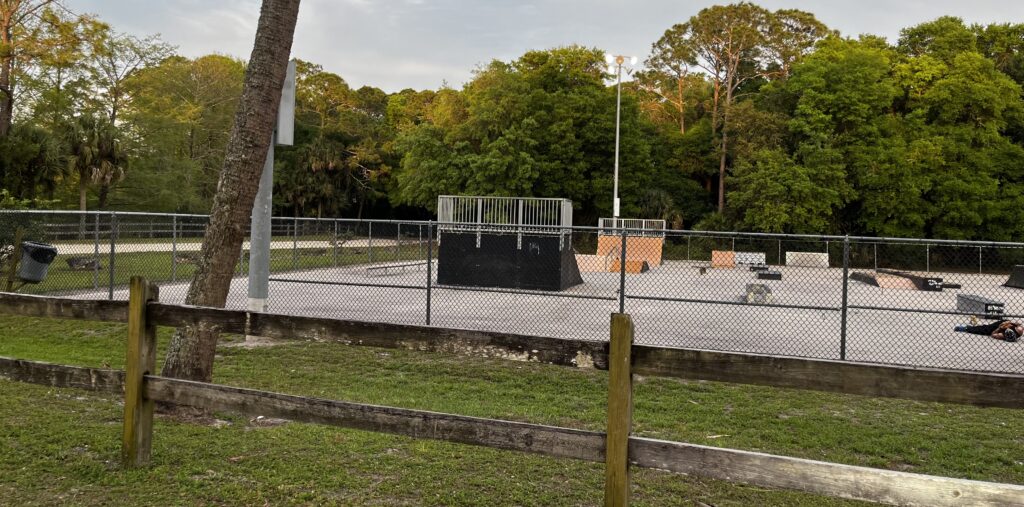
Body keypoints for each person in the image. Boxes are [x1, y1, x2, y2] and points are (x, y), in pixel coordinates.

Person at [954, 320, 1022, 342]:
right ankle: (970, 328)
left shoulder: (1002, 335)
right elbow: (1019, 324)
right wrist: (1010, 323)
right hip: (1004, 322)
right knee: (986, 328)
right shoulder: (1019, 330)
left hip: (998, 328)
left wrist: (1000, 328)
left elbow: (992, 334)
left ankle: (966, 328)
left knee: (986, 330)